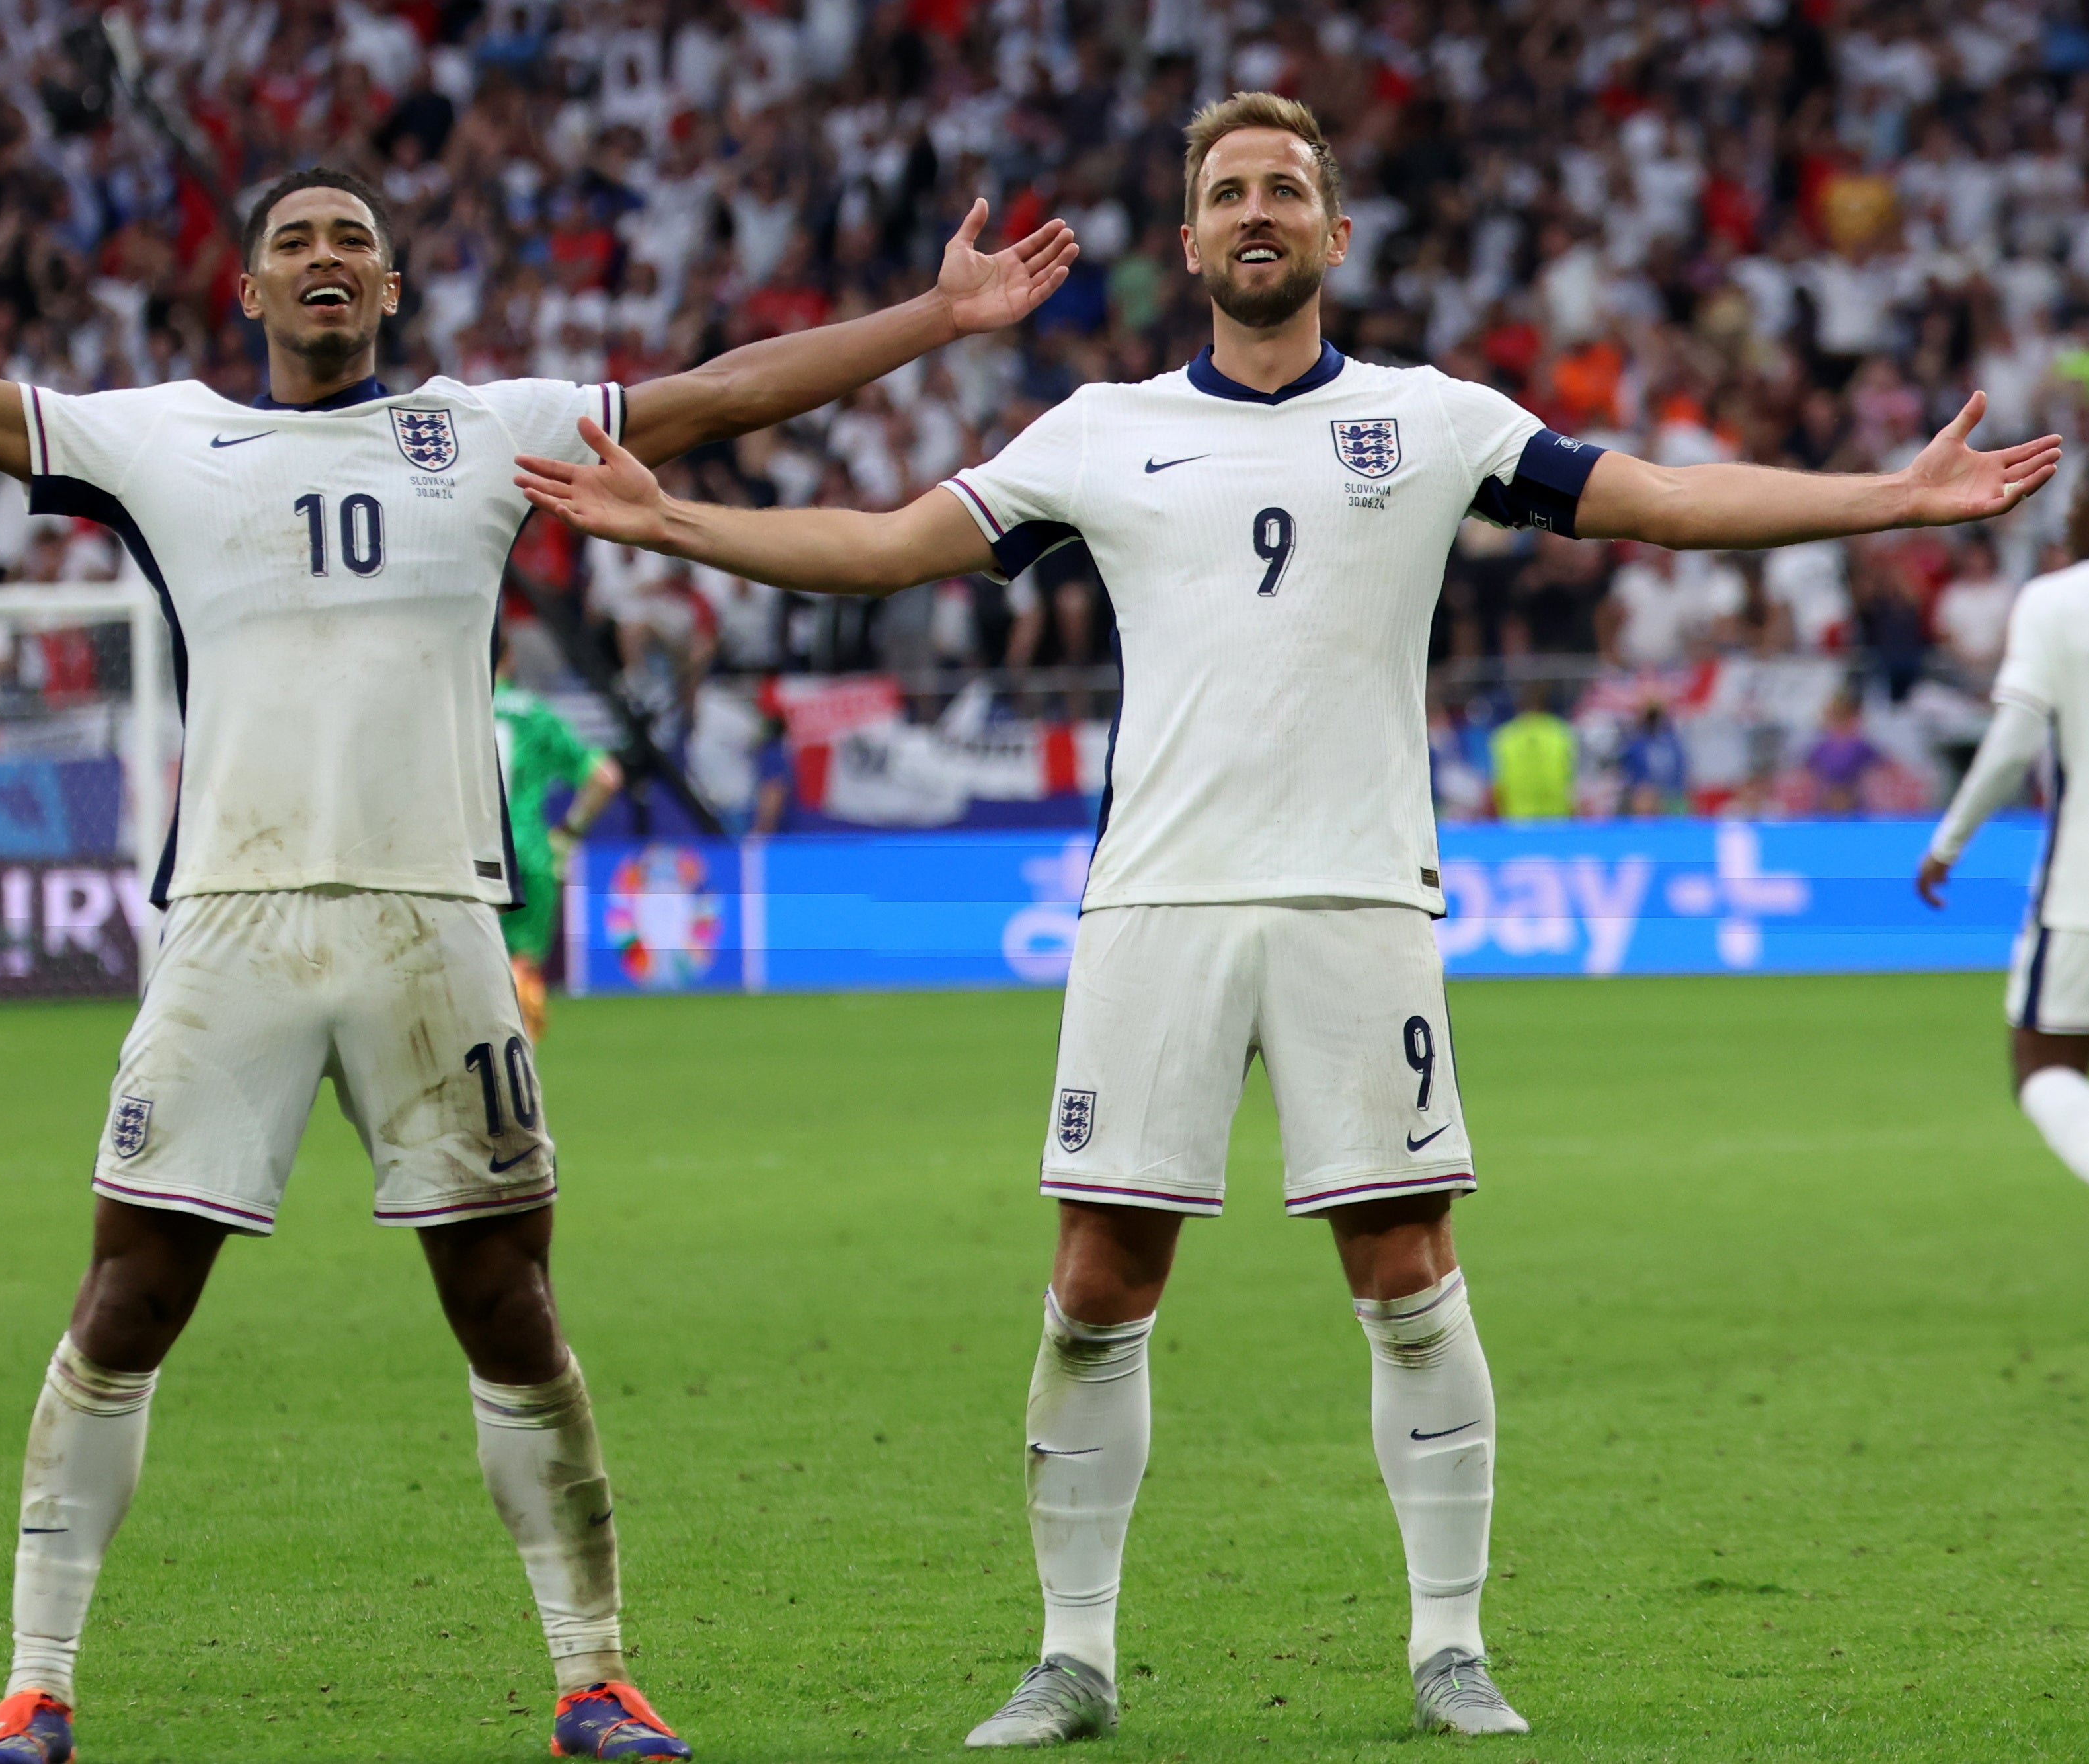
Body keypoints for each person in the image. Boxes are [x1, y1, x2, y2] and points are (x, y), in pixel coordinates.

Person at [511, 91, 2061, 1749]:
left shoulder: (1432, 418)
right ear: (1187, 244)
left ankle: (1448, 1644)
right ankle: (1073, 1654)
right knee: (1098, 1275)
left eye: (1284, 192)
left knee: (1403, 1265)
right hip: (1154, 909)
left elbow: (1658, 496)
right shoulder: (1094, 432)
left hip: (1354, 900)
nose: (1256, 214)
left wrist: (1882, 501)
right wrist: (676, 522)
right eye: (1227, 193)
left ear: (1331, 235)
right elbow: (889, 547)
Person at [0, 165, 1076, 1764]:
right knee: (129, 1294)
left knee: (505, 1301)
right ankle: (34, 1685)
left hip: (435, 922)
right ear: (250, 292)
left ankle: (594, 1675)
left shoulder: (492, 430)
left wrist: (935, 314)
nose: (325, 260)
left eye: (353, 239)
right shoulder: (157, 437)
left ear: (390, 288)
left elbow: (711, 397)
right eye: (293, 242)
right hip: (235, 925)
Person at [1920, 480, 2089, 1186]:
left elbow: (2014, 745)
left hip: (2081, 897)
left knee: (2045, 1064)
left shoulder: (2055, 601)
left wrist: (1948, 843)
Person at [494, 639, 622, 1039]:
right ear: (509, 657)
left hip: (468, 859)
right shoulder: (535, 715)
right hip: (529, 852)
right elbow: (606, 777)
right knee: (523, 972)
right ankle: (516, 1078)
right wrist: (566, 836)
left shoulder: (453, 713)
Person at [1487, 684, 1577, 821]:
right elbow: (1573, 780)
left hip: (1517, 820)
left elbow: (1496, 787)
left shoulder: (1504, 736)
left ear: (1519, 705)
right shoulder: (1563, 733)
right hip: (1558, 818)